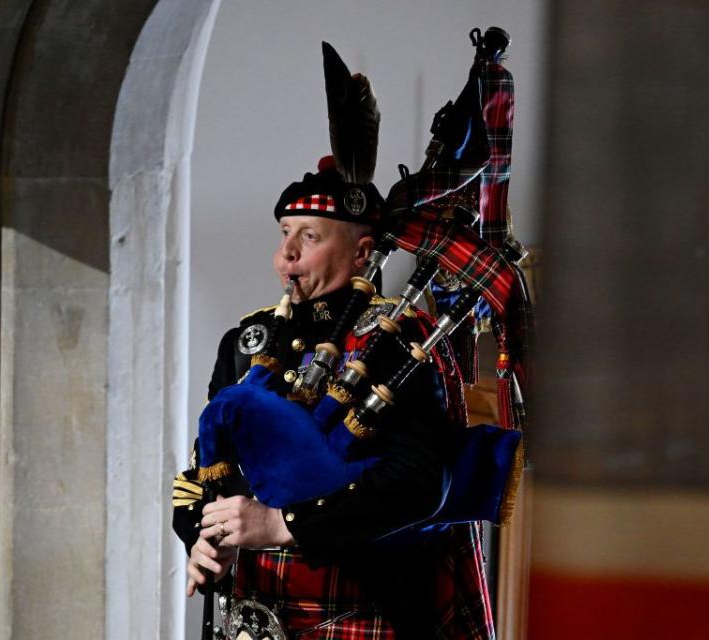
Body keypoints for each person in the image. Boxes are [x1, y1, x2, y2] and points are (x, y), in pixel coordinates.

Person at [183, 163, 495, 638]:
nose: (286, 252)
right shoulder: (247, 341)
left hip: (361, 608)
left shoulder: (401, 340)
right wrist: (205, 544)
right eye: (285, 232)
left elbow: (421, 481)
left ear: (362, 254)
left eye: (310, 236)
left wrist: (283, 523)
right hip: (253, 613)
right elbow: (201, 472)